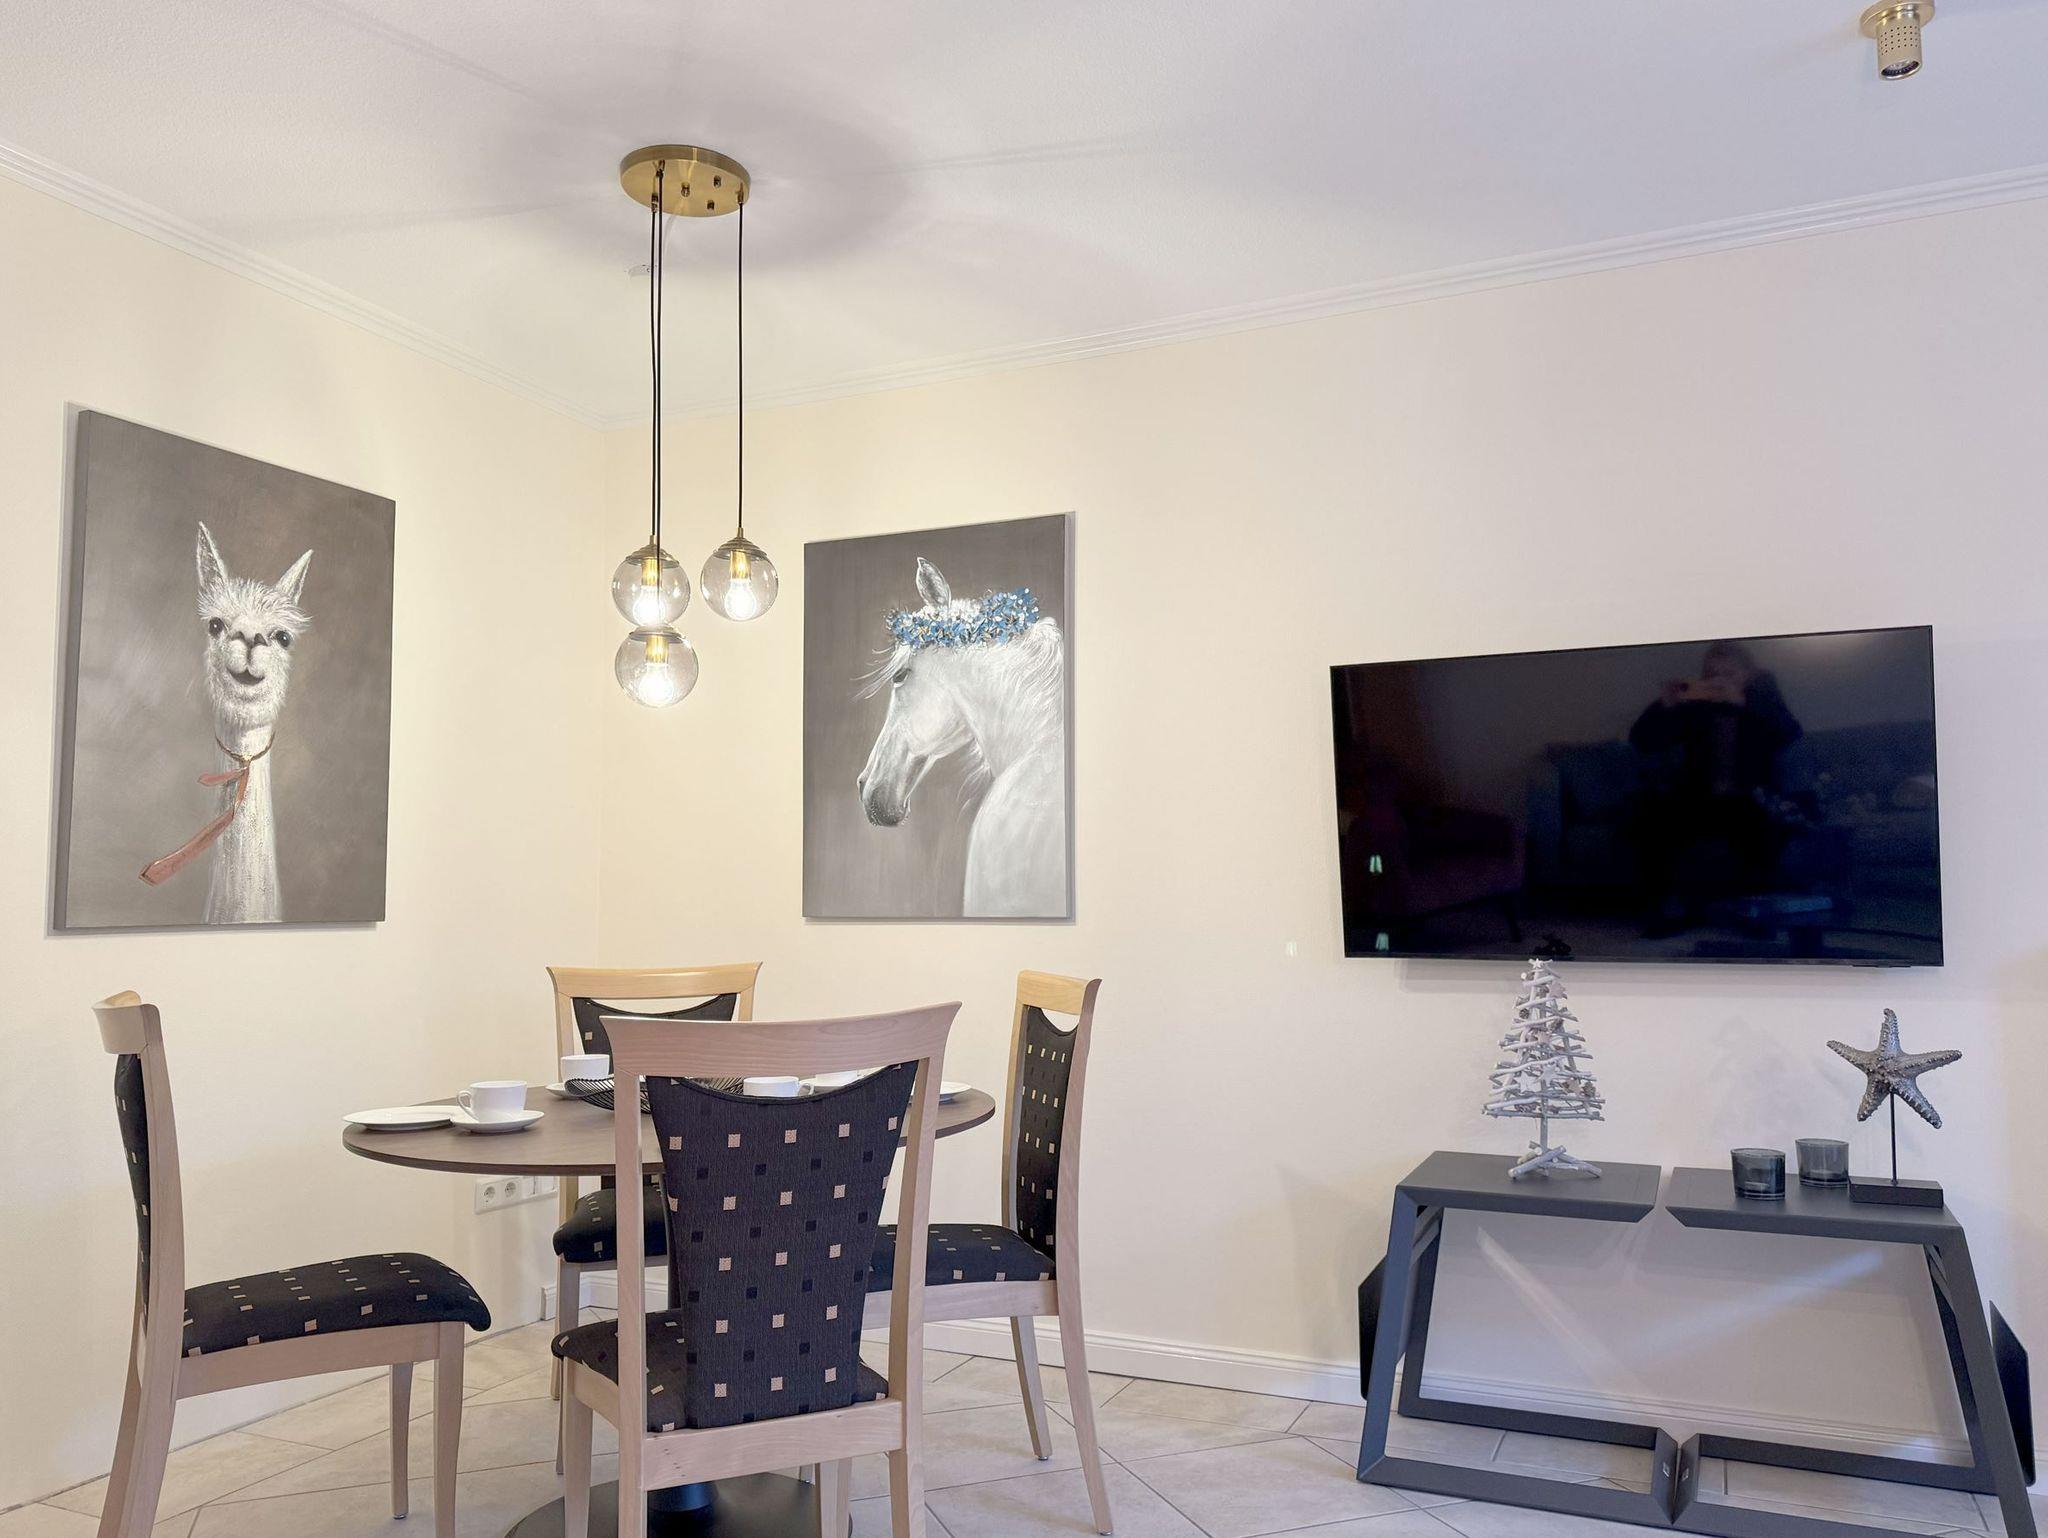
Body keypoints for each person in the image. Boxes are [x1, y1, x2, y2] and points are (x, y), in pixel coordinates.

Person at [1628, 641, 1803, 936]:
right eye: (1712, 674)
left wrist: (1743, 704)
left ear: (1748, 675)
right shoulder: (1697, 705)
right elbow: (1643, 742)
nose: (1719, 681)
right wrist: (1663, 707)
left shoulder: (1761, 699)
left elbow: (1789, 733)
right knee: (1653, 819)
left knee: (1763, 828)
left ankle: (1755, 913)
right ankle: (1668, 910)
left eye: (1729, 674)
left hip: (1750, 797)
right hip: (1700, 799)